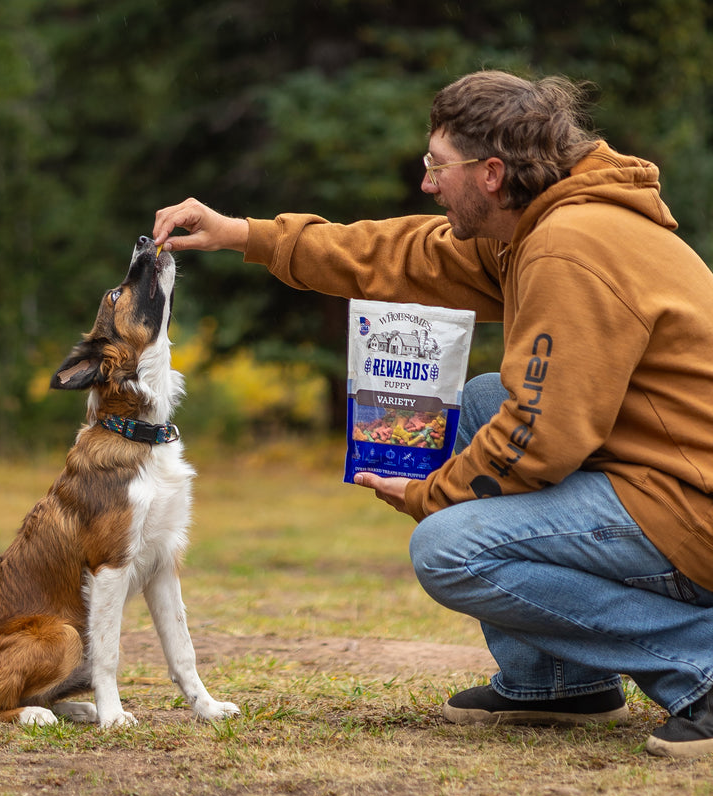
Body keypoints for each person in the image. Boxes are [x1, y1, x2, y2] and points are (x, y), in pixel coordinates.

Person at [153, 70, 713, 758]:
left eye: (436, 166)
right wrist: (243, 233)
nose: (426, 182)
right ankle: (559, 681)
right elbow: (396, 256)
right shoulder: (535, 228)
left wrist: (429, 494)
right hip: (667, 483)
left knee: (449, 548)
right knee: (482, 398)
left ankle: (703, 667)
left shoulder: (569, 249)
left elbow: (541, 439)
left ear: (491, 173)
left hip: (693, 515)